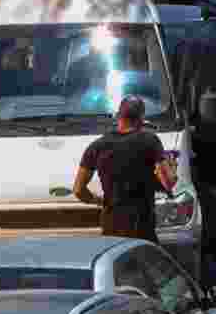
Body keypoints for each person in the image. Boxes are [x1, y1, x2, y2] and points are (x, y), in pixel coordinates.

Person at [73, 95, 178, 241]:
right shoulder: (150, 141)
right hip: (141, 228)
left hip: (111, 228)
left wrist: (100, 201)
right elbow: (168, 182)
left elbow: (78, 190)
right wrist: (172, 167)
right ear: (141, 118)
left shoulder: (97, 146)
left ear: (118, 116)